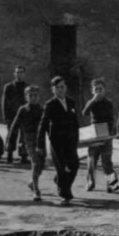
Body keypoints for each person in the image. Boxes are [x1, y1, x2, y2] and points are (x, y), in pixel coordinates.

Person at [37, 76, 80, 207]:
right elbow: (43, 124)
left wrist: (77, 138)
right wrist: (40, 145)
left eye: (62, 87)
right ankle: (65, 195)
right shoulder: (50, 104)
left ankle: (59, 181)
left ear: (65, 88)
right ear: (53, 90)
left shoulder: (71, 102)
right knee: (61, 168)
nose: (60, 90)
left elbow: (75, 121)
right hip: (57, 141)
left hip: (70, 140)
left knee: (74, 165)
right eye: (57, 88)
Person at [7, 85, 44, 201]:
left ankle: (32, 182)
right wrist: (10, 141)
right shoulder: (23, 109)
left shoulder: (41, 109)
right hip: (28, 138)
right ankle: (36, 190)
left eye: (35, 95)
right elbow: (14, 126)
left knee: (41, 164)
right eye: (31, 95)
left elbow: (47, 125)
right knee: (35, 162)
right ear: (26, 97)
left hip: (40, 139)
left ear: (39, 97)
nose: (33, 98)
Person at [82, 78, 119, 193]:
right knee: (92, 159)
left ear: (104, 90)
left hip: (106, 133)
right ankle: (90, 182)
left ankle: (110, 183)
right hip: (94, 133)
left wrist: (111, 131)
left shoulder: (108, 102)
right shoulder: (91, 102)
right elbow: (85, 113)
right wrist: (93, 100)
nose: (98, 91)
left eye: (100, 89)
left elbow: (111, 118)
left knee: (106, 160)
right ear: (92, 91)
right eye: (96, 89)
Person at [2, 65, 29, 164]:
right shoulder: (8, 87)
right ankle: (9, 155)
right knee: (11, 135)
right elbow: (4, 102)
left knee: (24, 136)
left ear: (24, 74)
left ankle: (24, 156)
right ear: (14, 74)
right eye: (17, 72)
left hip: (24, 116)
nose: (19, 74)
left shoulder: (27, 87)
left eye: (21, 72)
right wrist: (6, 116)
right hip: (12, 115)